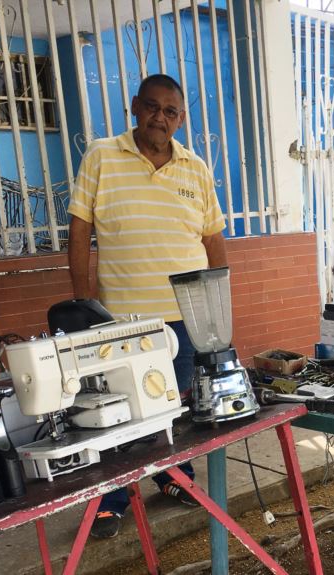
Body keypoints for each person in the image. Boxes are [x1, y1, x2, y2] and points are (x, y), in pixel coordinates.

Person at [67, 74, 228, 539]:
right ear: (135, 107)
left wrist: (218, 312)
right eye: (152, 107)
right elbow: (80, 233)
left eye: (171, 111)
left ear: (181, 118)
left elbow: (213, 240)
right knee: (120, 413)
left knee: (176, 408)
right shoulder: (101, 155)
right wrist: (83, 306)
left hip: (186, 317)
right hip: (121, 319)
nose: (161, 118)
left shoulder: (195, 167)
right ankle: (112, 498)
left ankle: (173, 477)